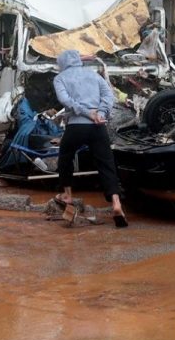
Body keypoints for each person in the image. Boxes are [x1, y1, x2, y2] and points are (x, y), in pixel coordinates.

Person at [53, 49, 128, 228]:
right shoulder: (93, 75)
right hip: (97, 127)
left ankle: (67, 195)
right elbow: (109, 95)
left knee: (65, 157)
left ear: (62, 63)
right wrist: (100, 113)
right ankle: (116, 203)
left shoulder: (60, 78)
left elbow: (65, 100)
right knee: (106, 164)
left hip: (75, 126)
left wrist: (86, 113)